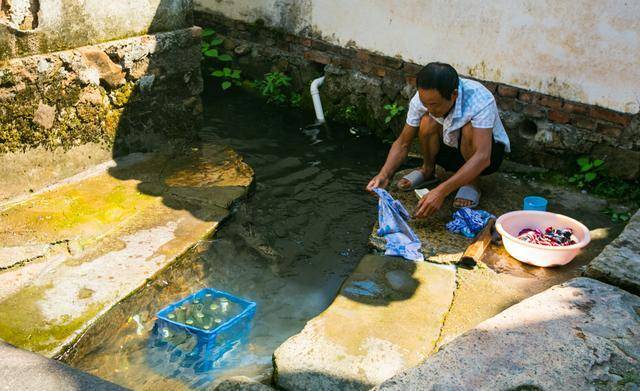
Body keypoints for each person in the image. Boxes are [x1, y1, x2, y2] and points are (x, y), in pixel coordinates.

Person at [366, 62, 510, 218]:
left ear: (454, 95)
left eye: (434, 104)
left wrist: (441, 191)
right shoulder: (424, 98)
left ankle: (472, 183)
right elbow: (403, 142)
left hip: (487, 157)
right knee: (427, 120)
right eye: (425, 103)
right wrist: (384, 174)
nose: (429, 108)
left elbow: (483, 157)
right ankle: (427, 170)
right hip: (449, 148)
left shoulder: (480, 99)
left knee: (469, 128)